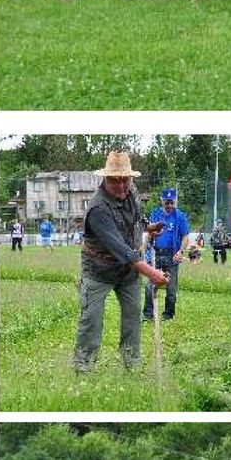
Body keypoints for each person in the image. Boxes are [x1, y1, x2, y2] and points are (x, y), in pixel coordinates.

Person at [72, 150, 167, 374]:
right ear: (105, 179)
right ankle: (83, 368)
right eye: (115, 181)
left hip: (127, 273)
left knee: (133, 317)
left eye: (125, 179)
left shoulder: (131, 191)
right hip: (98, 271)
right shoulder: (97, 209)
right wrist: (151, 273)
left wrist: (147, 227)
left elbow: (135, 218)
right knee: (91, 321)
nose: (121, 185)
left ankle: (132, 364)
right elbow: (121, 250)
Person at [143, 186, 190, 322]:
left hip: (172, 256)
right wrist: (145, 250)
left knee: (171, 289)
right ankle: (148, 314)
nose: (169, 205)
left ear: (175, 202)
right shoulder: (156, 214)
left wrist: (181, 251)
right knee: (150, 285)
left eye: (172, 202)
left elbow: (185, 236)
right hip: (156, 255)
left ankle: (168, 314)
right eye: (166, 202)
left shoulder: (180, 217)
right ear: (162, 201)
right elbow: (149, 234)